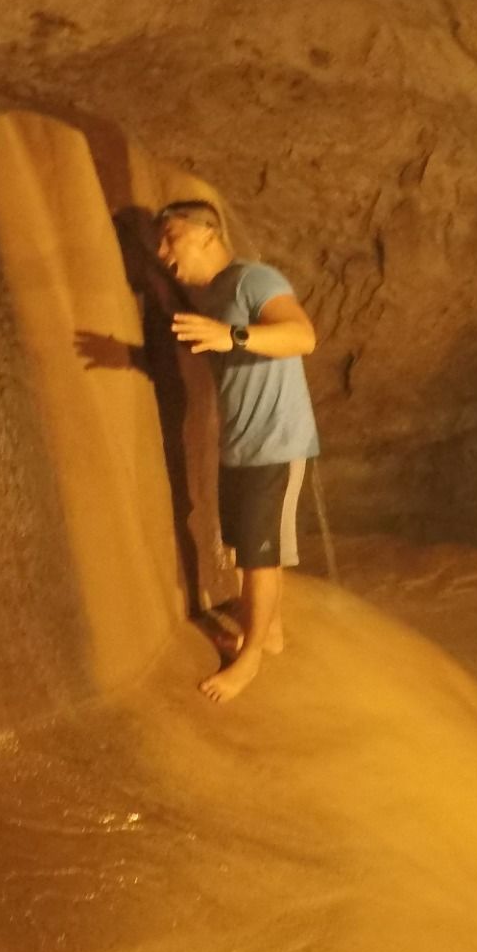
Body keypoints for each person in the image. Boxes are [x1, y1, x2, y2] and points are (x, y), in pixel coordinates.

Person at [154, 199, 319, 703]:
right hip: (241, 442)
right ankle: (268, 633)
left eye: (171, 237)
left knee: (258, 557)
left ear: (207, 234)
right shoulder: (215, 295)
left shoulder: (255, 279)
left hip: (277, 439)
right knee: (247, 550)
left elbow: (302, 336)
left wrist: (231, 335)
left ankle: (248, 661)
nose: (162, 250)